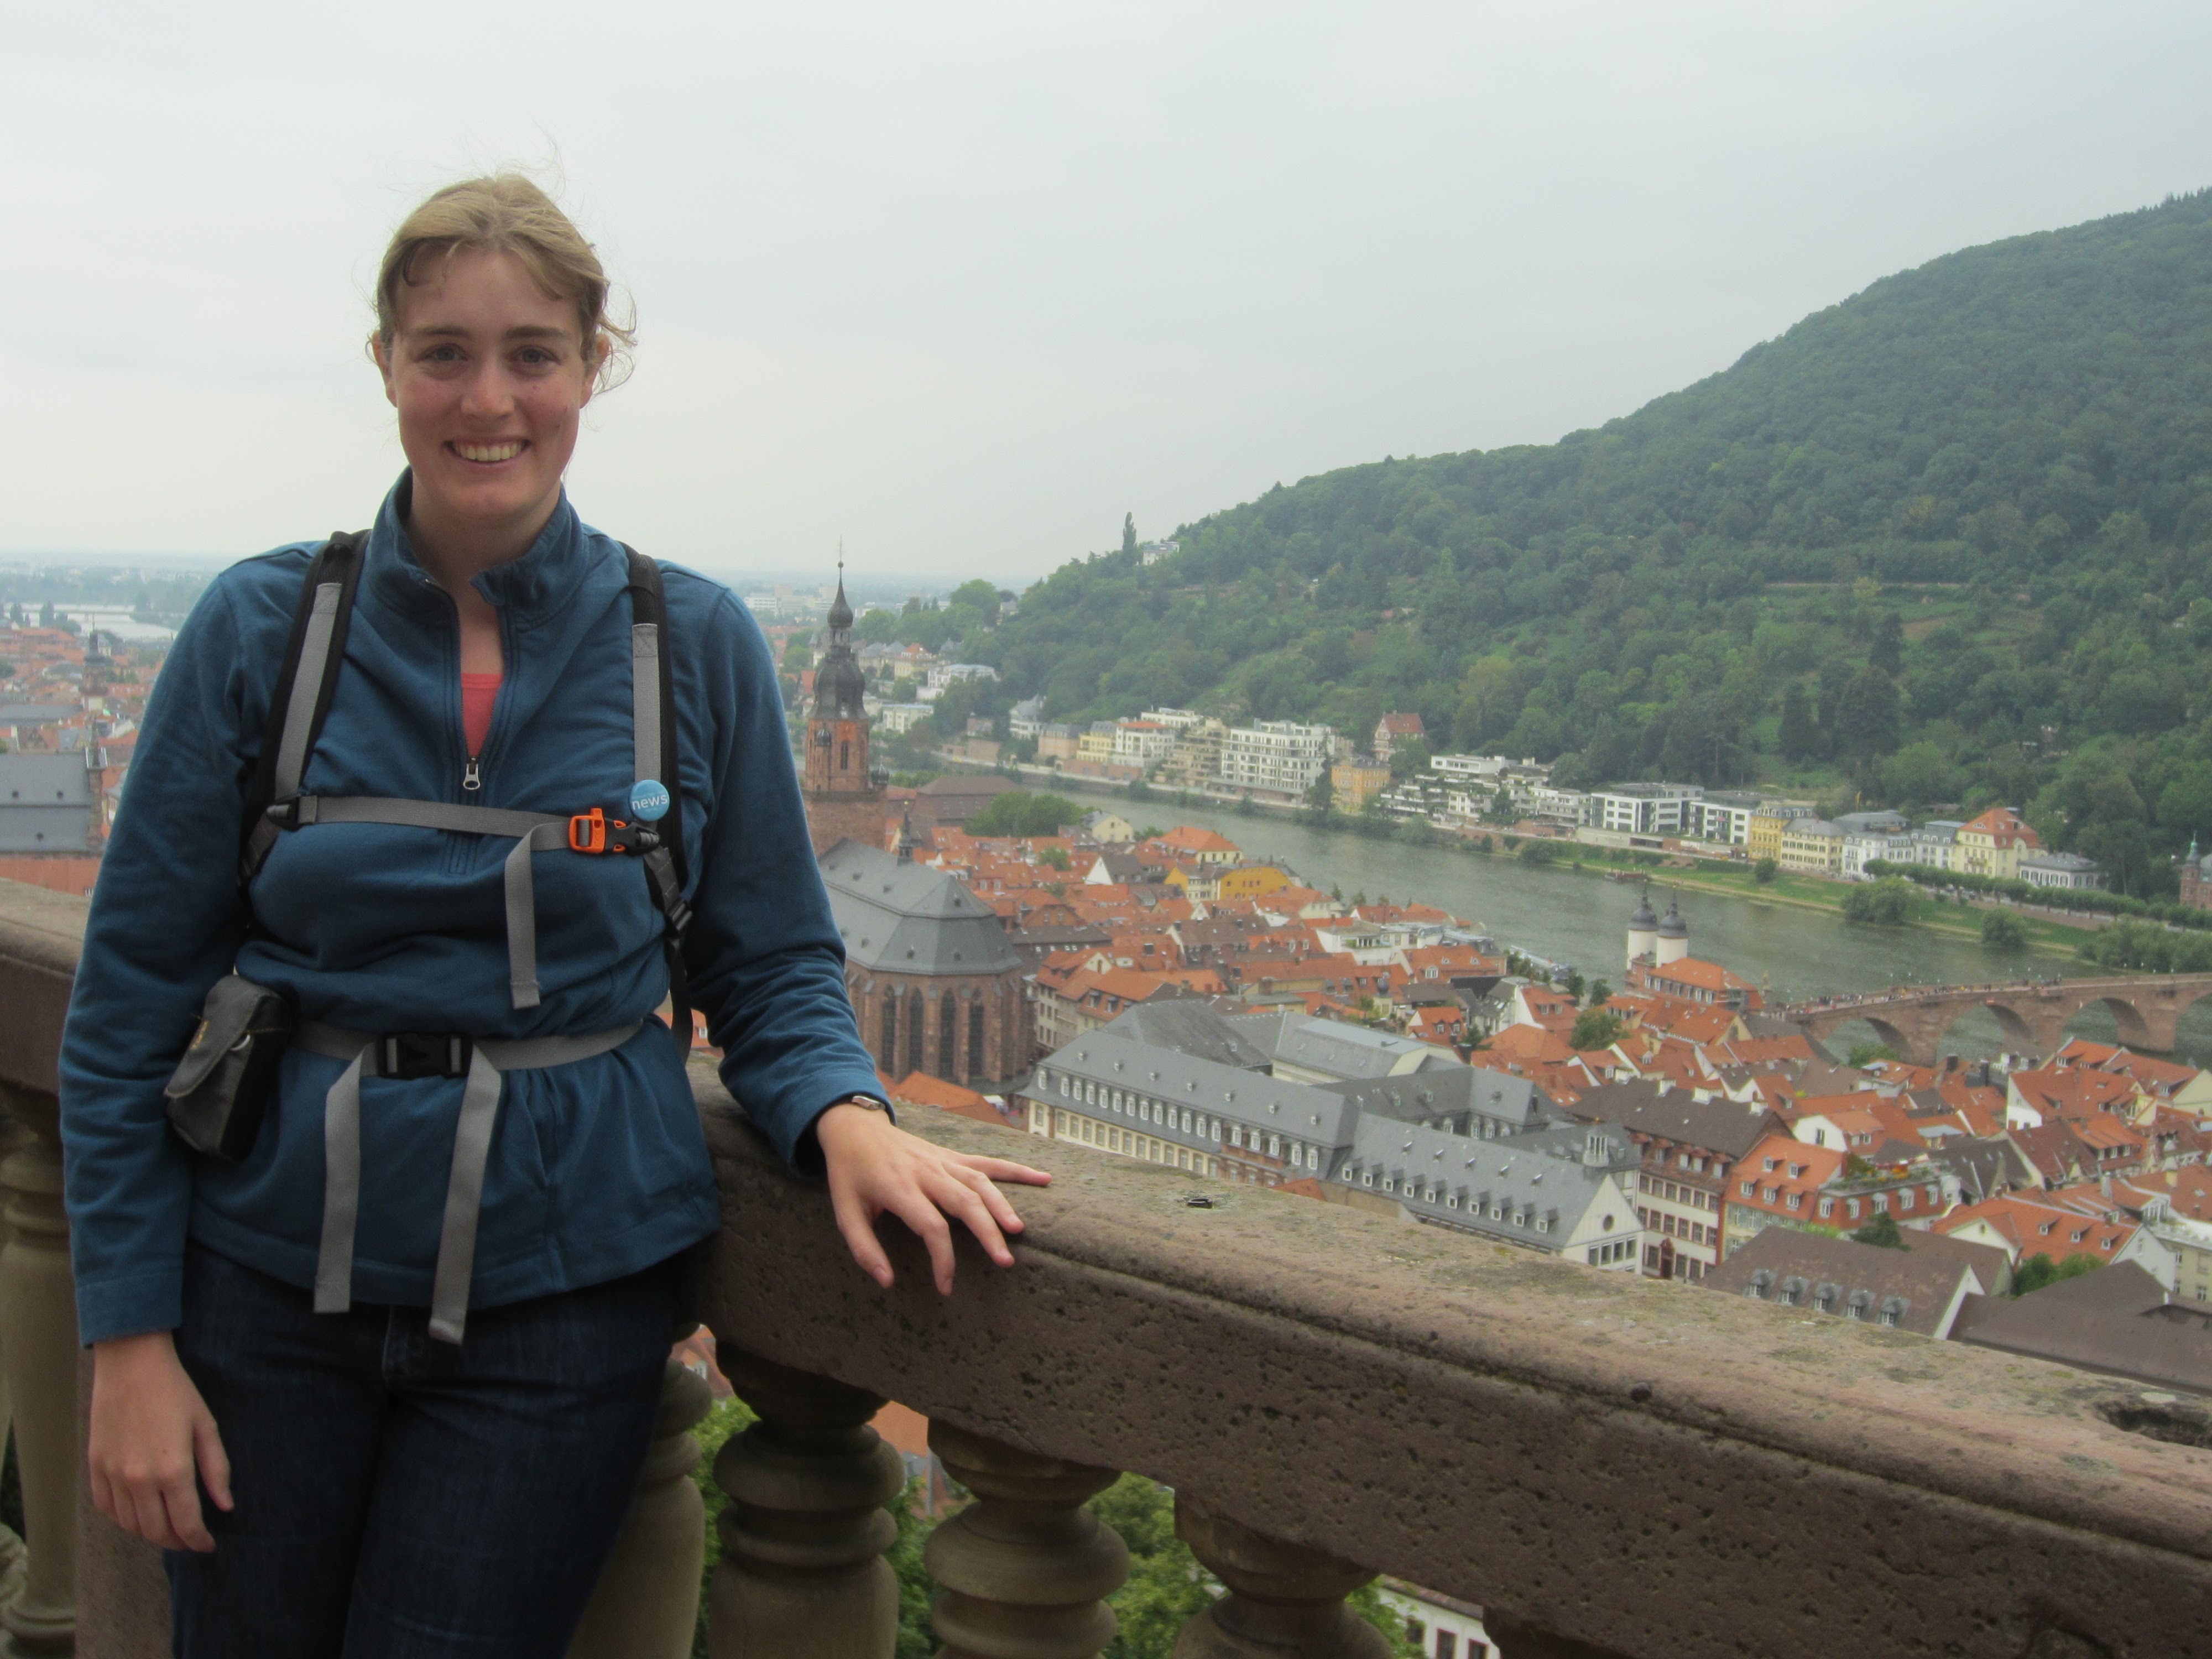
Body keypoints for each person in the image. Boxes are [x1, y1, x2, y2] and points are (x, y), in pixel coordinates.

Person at [59, 174, 1048, 1657]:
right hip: (263, 1285)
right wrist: (126, 1339)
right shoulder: (267, 628)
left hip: (560, 1300)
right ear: (387, 367)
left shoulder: (689, 643)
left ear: (594, 368)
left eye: (533, 351)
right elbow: (129, 999)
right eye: (442, 351)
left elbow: (770, 961)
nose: (488, 397)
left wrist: (845, 1113)